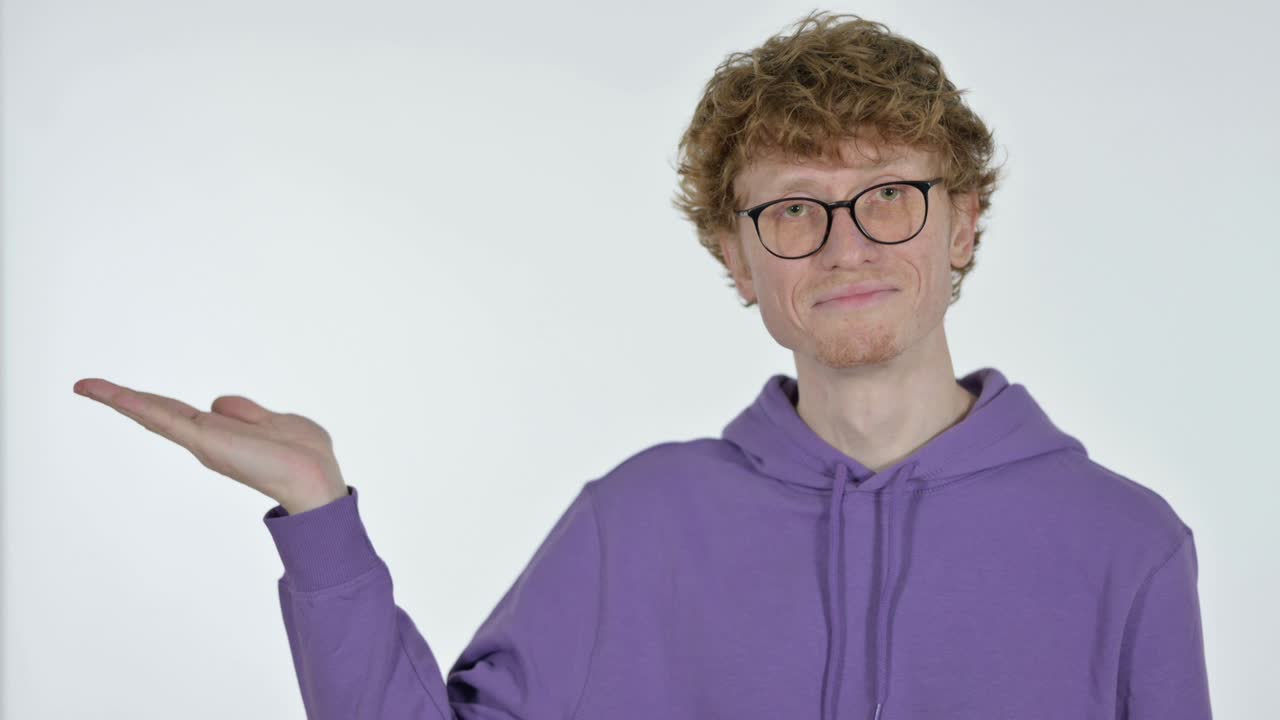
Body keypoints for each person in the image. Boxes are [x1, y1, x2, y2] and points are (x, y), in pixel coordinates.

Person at [73, 10, 1213, 720]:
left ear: (961, 222)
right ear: (735, 257)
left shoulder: (1126, 545)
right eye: (792, 211)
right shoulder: (636, 522)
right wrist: (319, 516)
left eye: (889, 195)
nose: (846, 242)